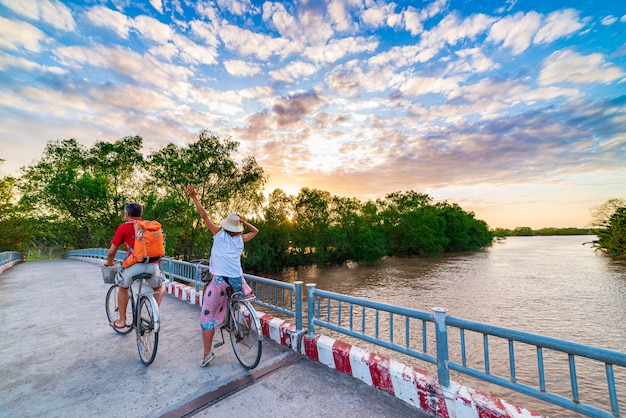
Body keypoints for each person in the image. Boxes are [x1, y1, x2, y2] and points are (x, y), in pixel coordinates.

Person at [187, 184, 259, 367]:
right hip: (237, 280)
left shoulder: (218, 234)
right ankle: (234, 317)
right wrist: (243, 222)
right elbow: (256, 231)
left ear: (225, 225)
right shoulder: (240, 239)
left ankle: (207, 354)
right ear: (237, 228)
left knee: (207, 315)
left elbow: (204, 215)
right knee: (235, 298)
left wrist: (194, 197)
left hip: (219, 280)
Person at [104, 202, 165, 329]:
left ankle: (121, 321)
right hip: (153, 265)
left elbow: (111, 252)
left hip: (135, 267)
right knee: (159, 288)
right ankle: (154, 314)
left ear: (127, 214)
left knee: (123, 287)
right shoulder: (148, 226)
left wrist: (109, 262)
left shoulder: (124, 228)